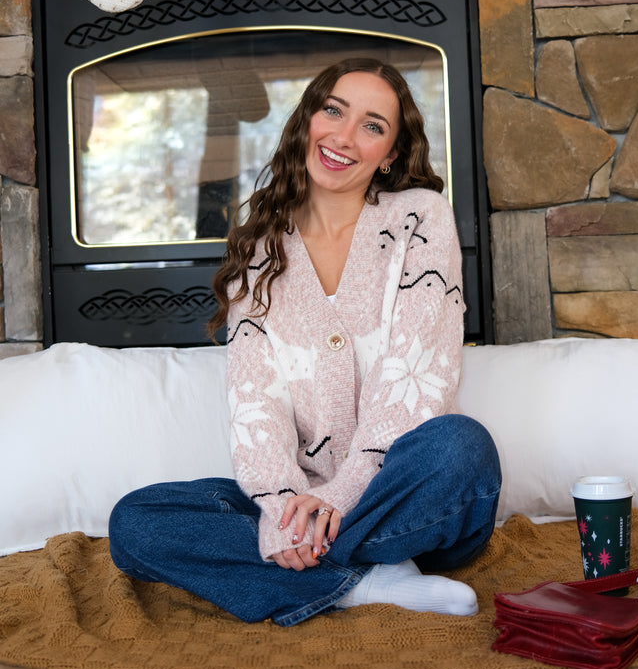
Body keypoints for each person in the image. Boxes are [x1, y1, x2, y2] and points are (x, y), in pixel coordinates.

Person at [109, 57, 501, 627]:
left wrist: (339, 499)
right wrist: (275, 505)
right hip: (296, 502)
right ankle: (361, 582)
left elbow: (419, 375)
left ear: (391, 153)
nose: (343, 137)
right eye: (333, 111)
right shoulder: (260, 251)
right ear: (308, 121)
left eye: (372, 126)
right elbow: (255, 399)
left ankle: (310, 568)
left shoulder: (421, 218)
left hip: (403, 496)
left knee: (463, 448)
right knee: (135, 523)